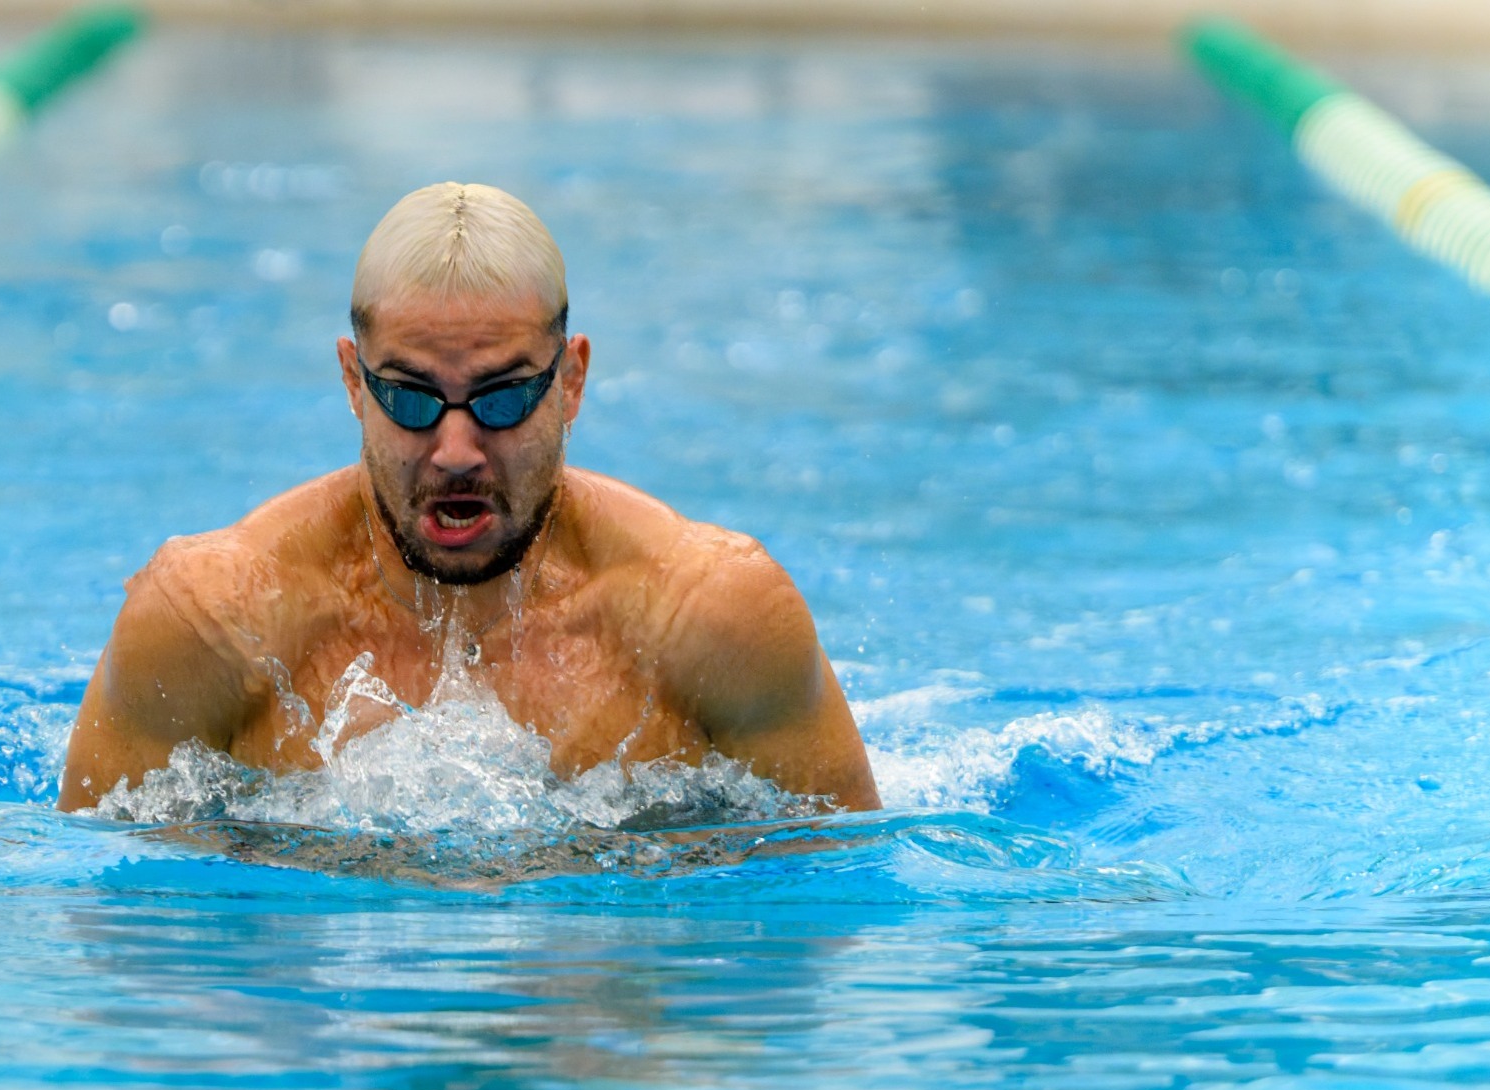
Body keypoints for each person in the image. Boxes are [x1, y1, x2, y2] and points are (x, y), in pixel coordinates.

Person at [57, 182, 880, 813]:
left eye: (503, 397)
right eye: (410, 398)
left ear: (572, 381)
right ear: (353, 382)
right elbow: (110, 925)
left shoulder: (711, 618)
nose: (456, 450)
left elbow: (828, 907)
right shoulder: (212, 624)